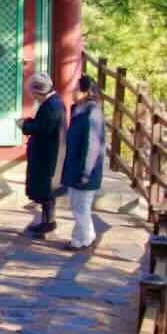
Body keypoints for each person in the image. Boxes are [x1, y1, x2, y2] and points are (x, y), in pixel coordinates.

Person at [63, 73, 107, 249]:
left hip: (85, 169)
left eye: (76, 90)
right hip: (75, 165)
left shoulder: (92, 113)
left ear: (85, 92)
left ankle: (86, 237)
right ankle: (79, 237)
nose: (73, 92)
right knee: (77, 205)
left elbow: (92, 146)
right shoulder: (79, 110)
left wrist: (86, 172)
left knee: (81, 206)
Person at [19, 72, 63, 235]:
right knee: (45, 189)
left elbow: (44, 128)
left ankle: (49, 222)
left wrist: (25, 126)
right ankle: (46, 221)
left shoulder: (52, 105)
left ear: (39, 91)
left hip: (47, 152)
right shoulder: (52, 102)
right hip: (45, 150)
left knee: (46, 189)